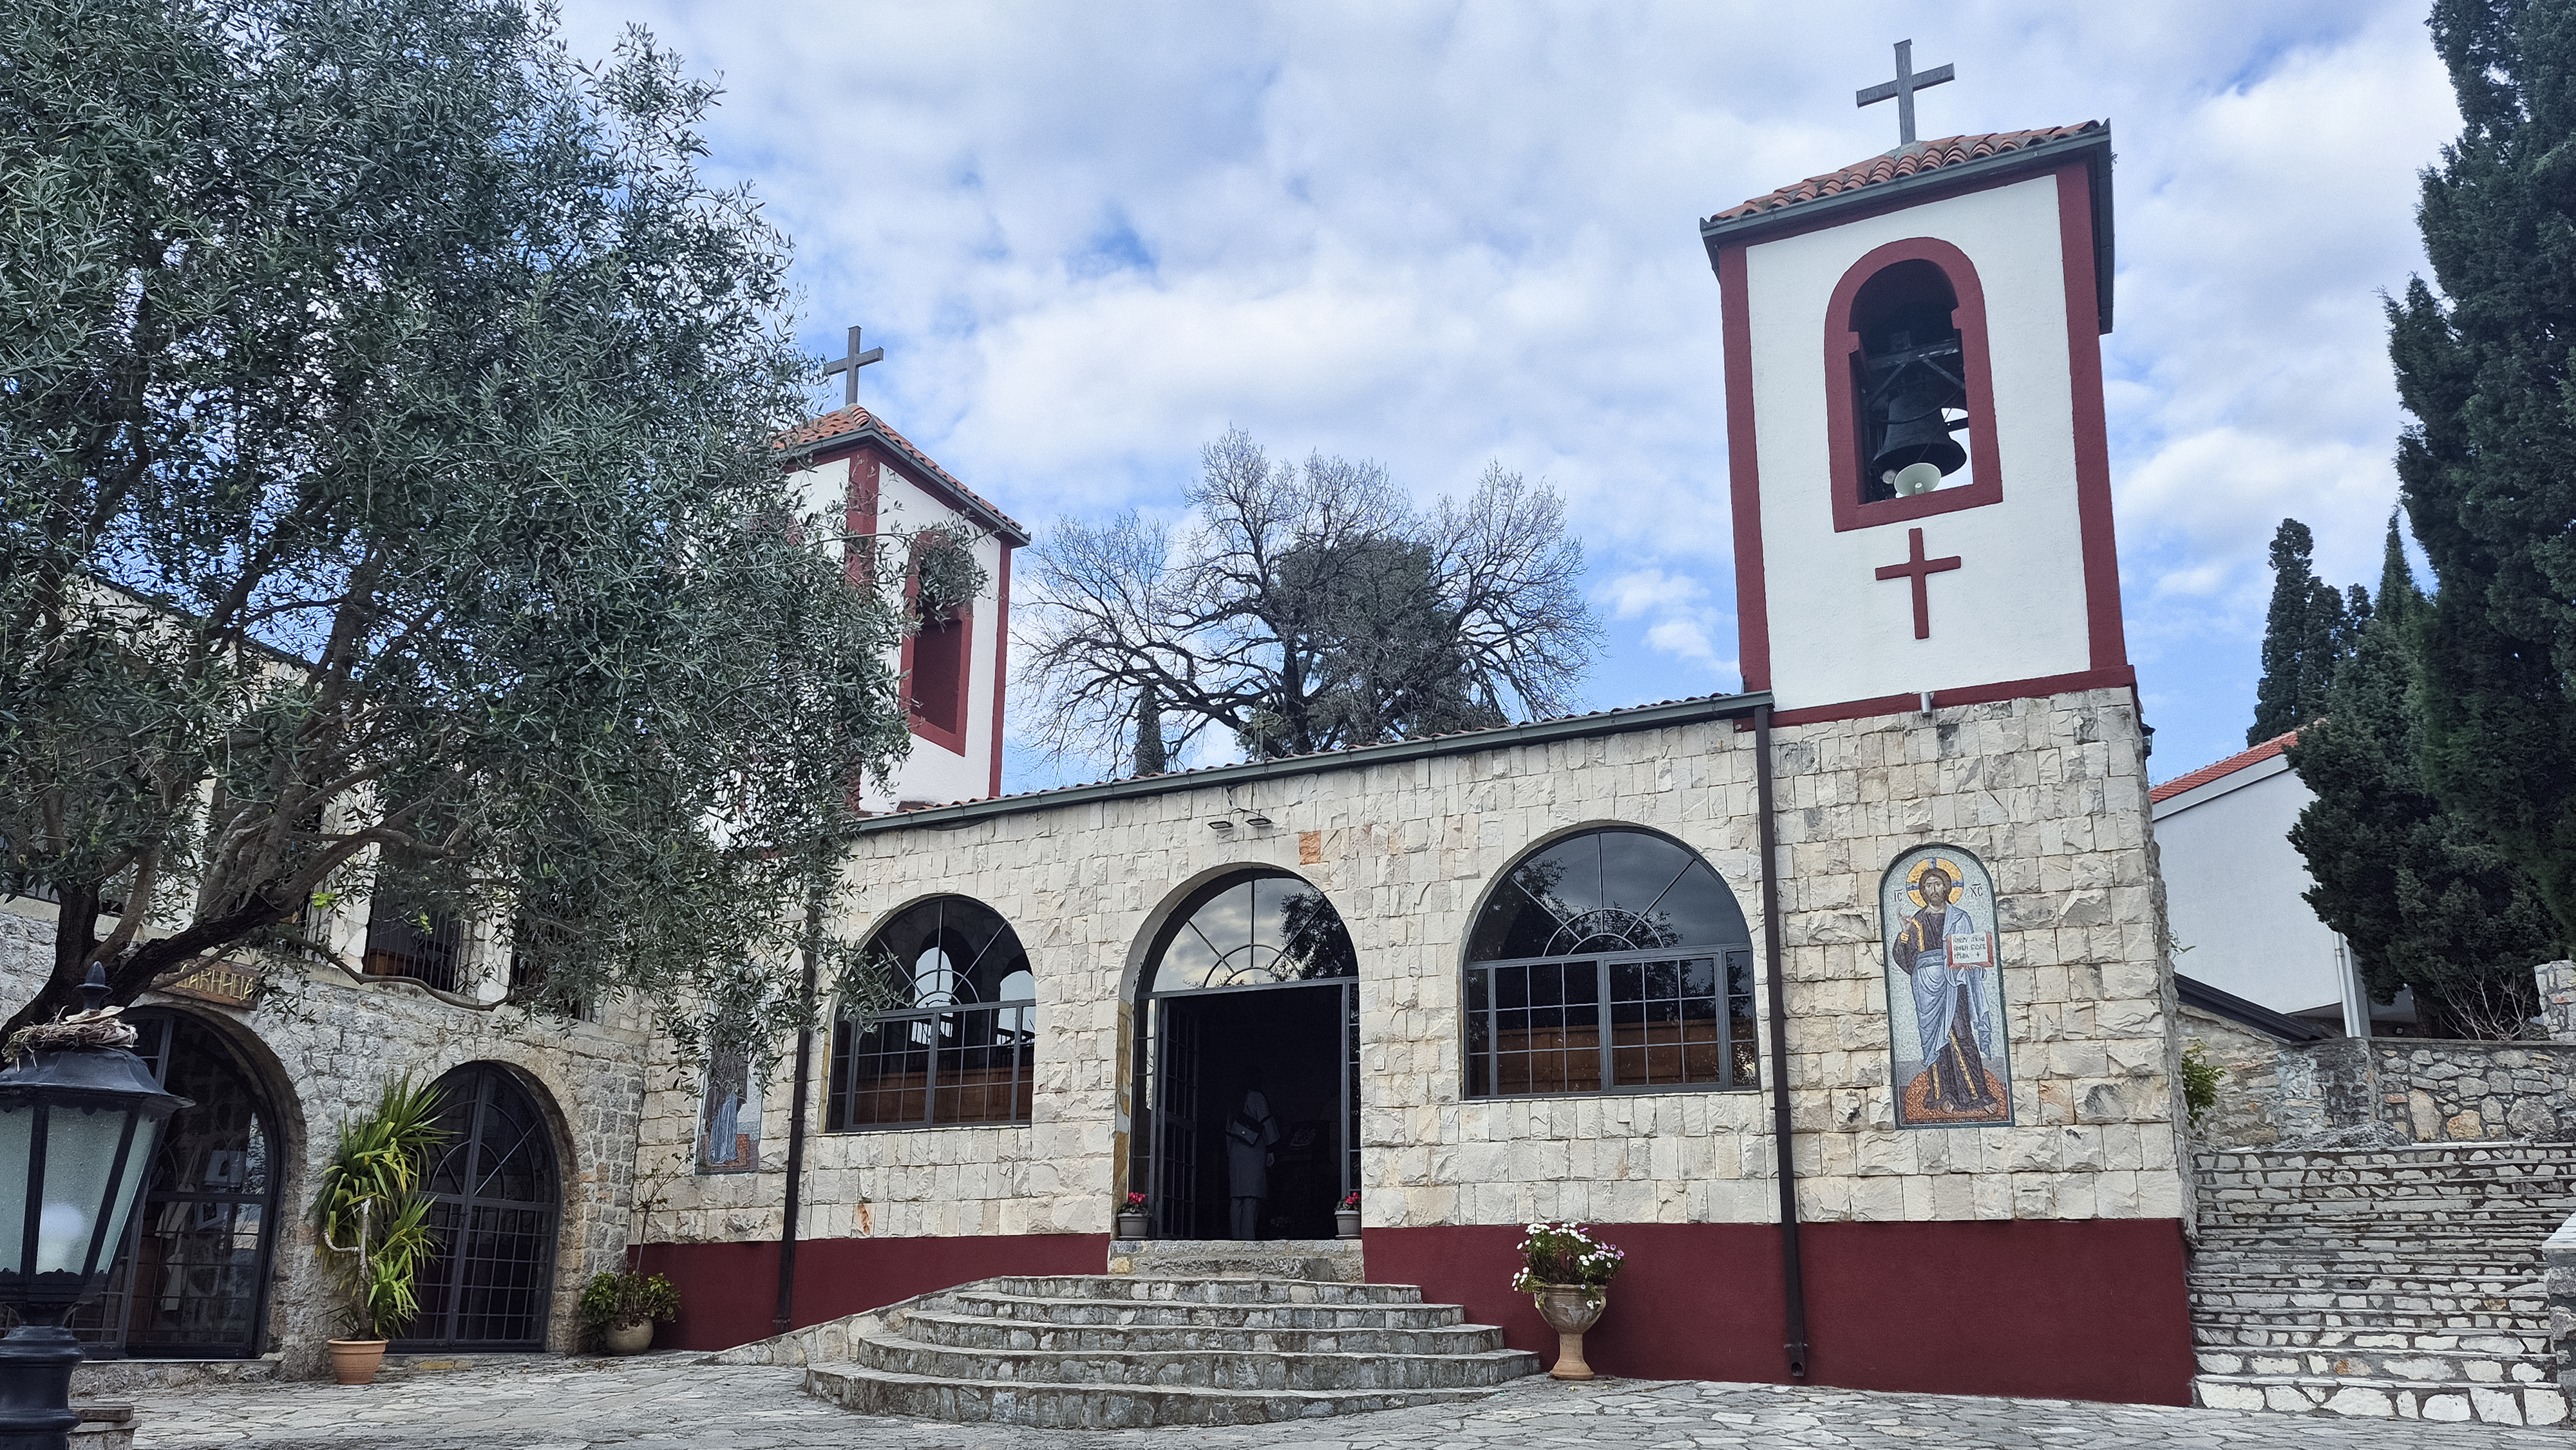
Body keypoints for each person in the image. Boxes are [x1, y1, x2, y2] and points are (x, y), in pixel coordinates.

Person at [1890, 864, 1999, 1114]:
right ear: (1922, 891)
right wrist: (1904, 934)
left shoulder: (1960, 918)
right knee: (1935, 1042)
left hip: (1955, 984)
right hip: (1927, 989)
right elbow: (1906, 961)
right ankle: (1943, 1095)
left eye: (1938, 884)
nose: (1934, 889)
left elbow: (1971, 951)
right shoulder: (1916, 922)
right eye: (1928, 885)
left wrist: (1972, 962)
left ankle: (1977, 1095)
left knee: (1962, 1034)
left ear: (1948, 887)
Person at [1224, 1088, 1280, 1239]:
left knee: (1236, 1199)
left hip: (1236, 1151)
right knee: (1251, 1197)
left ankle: (1236, 1239)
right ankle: (1248, 1239)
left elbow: (1228, 1129)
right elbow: (1266, 1122)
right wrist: (1272, 1148)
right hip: (1253, 1150)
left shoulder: (1234, 1100)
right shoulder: (1257, 1097)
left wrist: (1230, 1153)